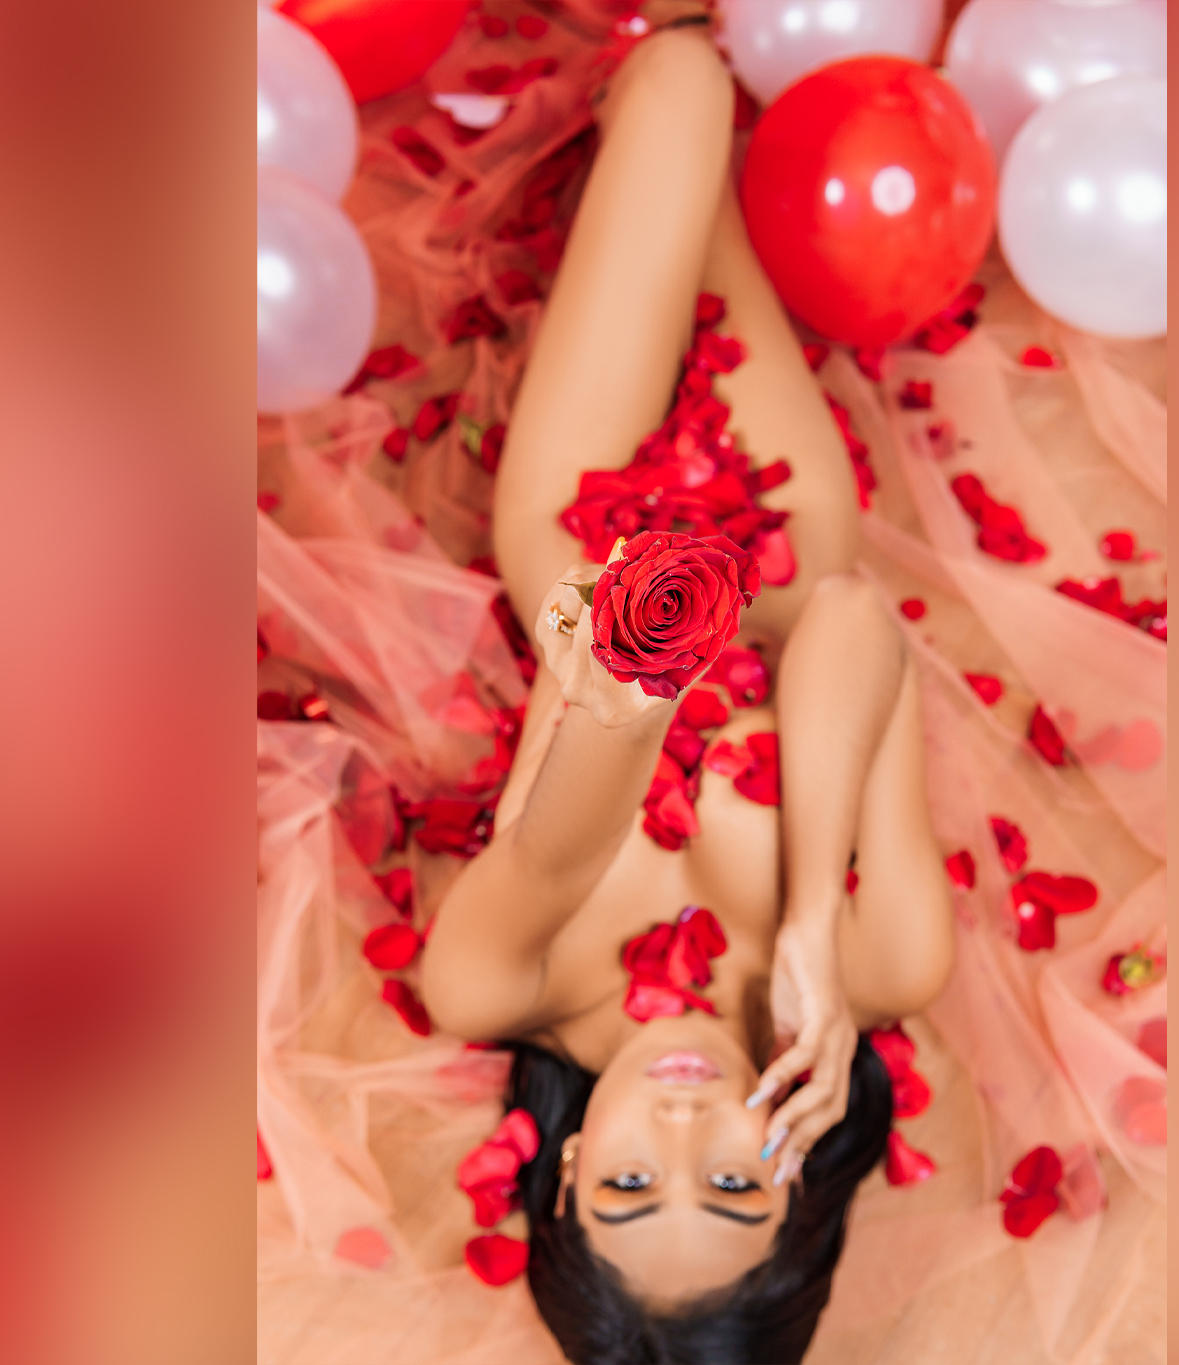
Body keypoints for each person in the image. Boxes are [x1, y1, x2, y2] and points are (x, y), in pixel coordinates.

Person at [417, 22, 955, 1365]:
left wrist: (627, 668)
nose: (678, 1125)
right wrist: (811, 925)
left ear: (562, 1170)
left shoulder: (492, 984)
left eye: (626, 1183)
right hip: (781, 535)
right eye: (728, 1182)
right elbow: (848, 617)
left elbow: (557, 843)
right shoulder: (890, 963)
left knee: (679, 87)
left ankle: (648, 109)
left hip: (586, 534)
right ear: (798, 1180)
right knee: (694, 106)